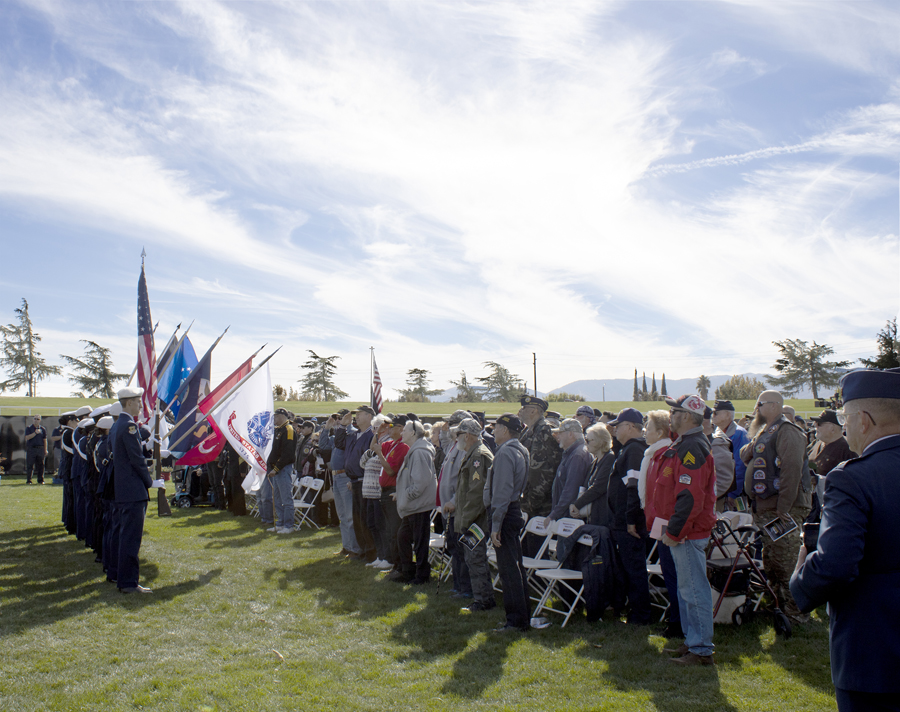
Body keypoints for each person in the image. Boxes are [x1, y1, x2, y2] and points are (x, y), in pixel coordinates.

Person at [790, 368, 900, 711]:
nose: (845, 426)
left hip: (875, 654)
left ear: (863, 420)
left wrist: (800, 580)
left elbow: (836, 564)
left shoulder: (853, 478)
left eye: (845, 418)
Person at [646, 395, 717, 665]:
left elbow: (689, 496)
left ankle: (701, 649)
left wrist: (675, 531)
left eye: (675, 411)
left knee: (694, 591)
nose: (671, 415)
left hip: (687, 533)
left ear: (687, 416)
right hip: (684, 531)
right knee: (687, 590)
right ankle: (693, 642)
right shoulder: (686, 443)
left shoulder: (692, 447)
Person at [740, 390, 810, 621]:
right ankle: (777, 606)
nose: (756, 408)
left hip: (782, 507)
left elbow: (791, 470)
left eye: (759, 404)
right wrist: (755, 439)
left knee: (786, 560)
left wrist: (784, 508)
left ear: (774, 405)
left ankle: (796, 610)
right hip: (766, 506)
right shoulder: (766, 431)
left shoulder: (788, 431)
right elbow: (744, 455)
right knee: (771, 559)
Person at [484, 413, 531, 633]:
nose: (493, 432)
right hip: (513, 511)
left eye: (497, 427)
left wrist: (495, 526)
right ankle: (522, 617)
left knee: (509, 570)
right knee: (516, 566)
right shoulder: (521, 450)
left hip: (505, 512)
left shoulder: (505, 453)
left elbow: (501, 493)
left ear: (505, 430)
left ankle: (515, 621)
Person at [111, 387, 161, 594]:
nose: (141, 405)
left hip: (123, 489)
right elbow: (136, 460)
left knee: (123, 536)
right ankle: (129, 583)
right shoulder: (129, 425)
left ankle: (120, 576)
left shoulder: (117, 425)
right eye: (138, 402)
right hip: (133, 490)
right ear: (129, 402)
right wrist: (150, 482)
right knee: (131, 539)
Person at [606, 407, 650, 625]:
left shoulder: (634, 450)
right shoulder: (627, 448)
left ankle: (641, 614)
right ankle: (632, 610)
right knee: (627, 567)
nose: (614, 429)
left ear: (631, 427)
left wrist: (631, 519)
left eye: (618, 425)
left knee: (634, 568)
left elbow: (634, 488)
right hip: (623, 519)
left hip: (629, 522)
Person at [637, 410, 678, 637]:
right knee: (669, 572)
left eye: (648, 428)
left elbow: (662, 495)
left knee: (672, 574)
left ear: (660, 432)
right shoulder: (654, 454)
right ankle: (676, 622)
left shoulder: (664, 455)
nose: (645, 431)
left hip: (665, 523)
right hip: (657, 521)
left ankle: (678, 624)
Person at [453, 417, 495, 613]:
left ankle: (483, 600)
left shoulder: (479, 455)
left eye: (459, 434)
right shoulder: (471, 453)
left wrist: (466, 520)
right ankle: (482, 598)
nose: (456, 438)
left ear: (468, 435)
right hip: (471, 518)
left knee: (476, 559)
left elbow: (477, 492)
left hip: (476, 520)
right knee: (472, 558)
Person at [392, 419, 436, 585]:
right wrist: (404, 494)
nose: (401, 433)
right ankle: (408, 572)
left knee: (419, 541)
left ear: (413, 433)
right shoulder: (415, 450)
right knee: (404, 537)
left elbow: (420, 482)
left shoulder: (419, 452)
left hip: (419, 505)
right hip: (413, 504)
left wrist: (406, 495)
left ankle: (421, 575)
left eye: (405, 430)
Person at [517, 395, 562, 554]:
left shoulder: (545, 431)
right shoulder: (530, 431)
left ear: (534, 411)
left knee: (536, 550)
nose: (520, 411)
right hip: (529, 501)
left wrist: (532, 503)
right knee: (526, 548)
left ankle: (537, 580)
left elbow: (544, 472)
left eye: (524, 408)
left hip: (540, 505)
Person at [436, 410, 473, 598]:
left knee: (460, 549)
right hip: (447, 508)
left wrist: (452, 501)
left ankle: (465, 588)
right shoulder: (454, 446)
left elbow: (462, 481)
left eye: (452, 425)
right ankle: (458, 585)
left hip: (456, 507)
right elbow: (443, 444)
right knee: (452, 547)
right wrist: (443, 432)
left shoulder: (463, 449)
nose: (449, 428)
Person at [340, 406, 377, 562]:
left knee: (365, 518)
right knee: (357, 518)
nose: (356, 417)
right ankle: (362, 550)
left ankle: (370, 552)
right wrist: (343, 426)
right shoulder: (355, 434)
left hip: (364, 480)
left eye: (359, 414)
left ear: (369, 416)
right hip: (354, 480)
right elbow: (339, 443)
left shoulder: (371, 435)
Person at [374, 415, 410, 573]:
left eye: (392, 426)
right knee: (388, 528)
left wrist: (380, 455)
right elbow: (373, 447)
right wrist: (378, 433)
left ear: (401, 429)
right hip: (385, 490)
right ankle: (391, 560)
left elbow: (390, 470)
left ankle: (396, 562)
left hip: (393, 491)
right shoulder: (392, 444)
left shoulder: (403, 447)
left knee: (394, 529)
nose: (389, 428)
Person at [807, 410, 856, 520]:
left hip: (835, 507)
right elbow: (813, 464)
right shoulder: (817, 444)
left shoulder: (848, 449)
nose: (815, 426)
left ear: (832, 428)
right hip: (813, 506)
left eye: (819, 424)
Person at [360, 414, 393, 569]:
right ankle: (380, 556)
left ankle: (386, 557)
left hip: (378, 492)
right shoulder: (377, 443)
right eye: (374, 428)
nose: (375, 431)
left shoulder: (387, 443)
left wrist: (372, 453)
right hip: (368, 492)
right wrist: (374, 439)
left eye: (378, 427)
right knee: (372, 524)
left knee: (381, 525)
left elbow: (381, 463)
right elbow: (362, 462)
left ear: (386, 427)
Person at [546, 419, 592, 526]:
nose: (557, 436)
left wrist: (554, 514)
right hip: (566, 516)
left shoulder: (577, 455)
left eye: (560, 433)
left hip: (569, 519)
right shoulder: (573, 453)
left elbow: (571, 490)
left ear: (570, 434)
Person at [330, 409, 362, 559]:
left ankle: (355, 548)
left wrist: (345, 426)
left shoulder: (352, 432)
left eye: (341, 417)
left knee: (350, 516)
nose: (339, 420)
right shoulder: (340, 432)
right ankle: (347, 546)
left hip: (345, 475)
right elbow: (327, 445)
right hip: (336, 476)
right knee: (342, 515)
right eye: (337, 417)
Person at [570, 422, 615, 527]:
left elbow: (598, 487)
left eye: (589, 440)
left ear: (600, 441)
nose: (586, 443)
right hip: (592, 516)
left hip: (602, 518)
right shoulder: (595, 461)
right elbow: (586, 487)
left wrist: (577, 505)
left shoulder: (609, 458)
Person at [262, 407, 295, 535]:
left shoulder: (289, 430)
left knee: (286, 498)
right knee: (277, 498)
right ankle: (280, 523)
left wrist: (276, 468)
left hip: (282, 468)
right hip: (275, 469)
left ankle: (289, 525)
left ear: (282, 416)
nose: (274, 419)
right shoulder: (278, 430)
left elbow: (287, 454)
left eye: (275, 416)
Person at [712, 400, 749, 507]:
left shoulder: (739, 434)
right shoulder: (716, 432)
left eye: (716, 413)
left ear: (728, 414)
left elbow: (740, 464)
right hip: (721, 489)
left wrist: (733, 493)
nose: (713, 415)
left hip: (733, 492)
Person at [703, 407, 735, 512]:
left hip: (712, 506)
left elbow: (724, 479)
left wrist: (705, 499)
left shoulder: (718, 442)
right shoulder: (701, 439)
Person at [24, 415, 48, 484]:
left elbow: (45, 440)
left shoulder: (43, 429)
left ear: (40, 420)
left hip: (40, 448)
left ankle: (41, 480)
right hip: (31, 449)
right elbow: (27, 437)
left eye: (37, 419)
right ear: (32, 419)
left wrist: (45, 450)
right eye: (35, 419)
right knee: (30, 465)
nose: (36, 420)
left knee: (41, 465)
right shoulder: (29, 428)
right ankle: (29, 480)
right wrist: (35, 433)